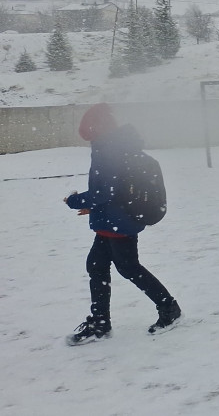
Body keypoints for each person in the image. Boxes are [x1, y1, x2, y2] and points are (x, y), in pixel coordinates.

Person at [65, 103, 182, 345]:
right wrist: (95, 205)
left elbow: (103, 191)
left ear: (96, 129)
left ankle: (169, 308)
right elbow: (114, 189)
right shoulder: (118, 146)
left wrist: (75, 200)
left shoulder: (107, 149)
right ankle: (100, 323)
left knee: (128, 268)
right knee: (96, 266)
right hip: (114, 220)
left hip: (118, 223)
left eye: (89, 133)